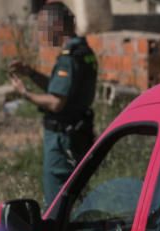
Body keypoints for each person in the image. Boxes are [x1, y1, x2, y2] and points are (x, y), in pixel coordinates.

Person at [9, 2, 97, 208]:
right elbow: (59, 88)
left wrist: (25, 93)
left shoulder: (69, 58)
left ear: (57, 26)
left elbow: (56, 102)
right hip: (78, 135)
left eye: (43, 27)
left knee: (57, 202)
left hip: (63, 141)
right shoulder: (83, 51)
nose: (43, 34)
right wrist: (30, 72)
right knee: (77, 197)